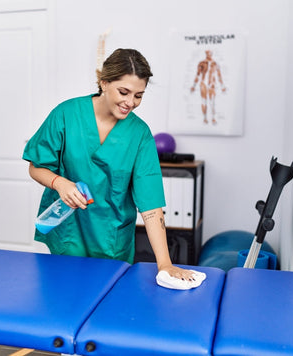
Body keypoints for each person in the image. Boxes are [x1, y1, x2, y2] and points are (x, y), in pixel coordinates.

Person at [23, 48, 196, 282]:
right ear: (104, 83)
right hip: (69, 232)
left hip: (112, 239)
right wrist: (59, 183)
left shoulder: (140, 134)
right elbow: (36, 166)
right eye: (124, 92)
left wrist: (164, 264)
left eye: (138, 95)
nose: (130, 102)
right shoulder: (66, 114)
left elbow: (151, 205)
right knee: (64, 303)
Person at [190, 49, 226, 125]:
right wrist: (193, 85)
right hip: (203, 84)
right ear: (206, 54)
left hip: (212, 84)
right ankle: (204, 118)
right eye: (208, 53)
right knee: (204, 101)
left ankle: (213, 118)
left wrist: (222, 86)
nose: (210, 54)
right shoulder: (201, 63)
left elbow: (219, 75)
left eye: (211, 53)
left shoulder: (215, 63)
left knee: (212, 102)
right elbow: (198, 74)